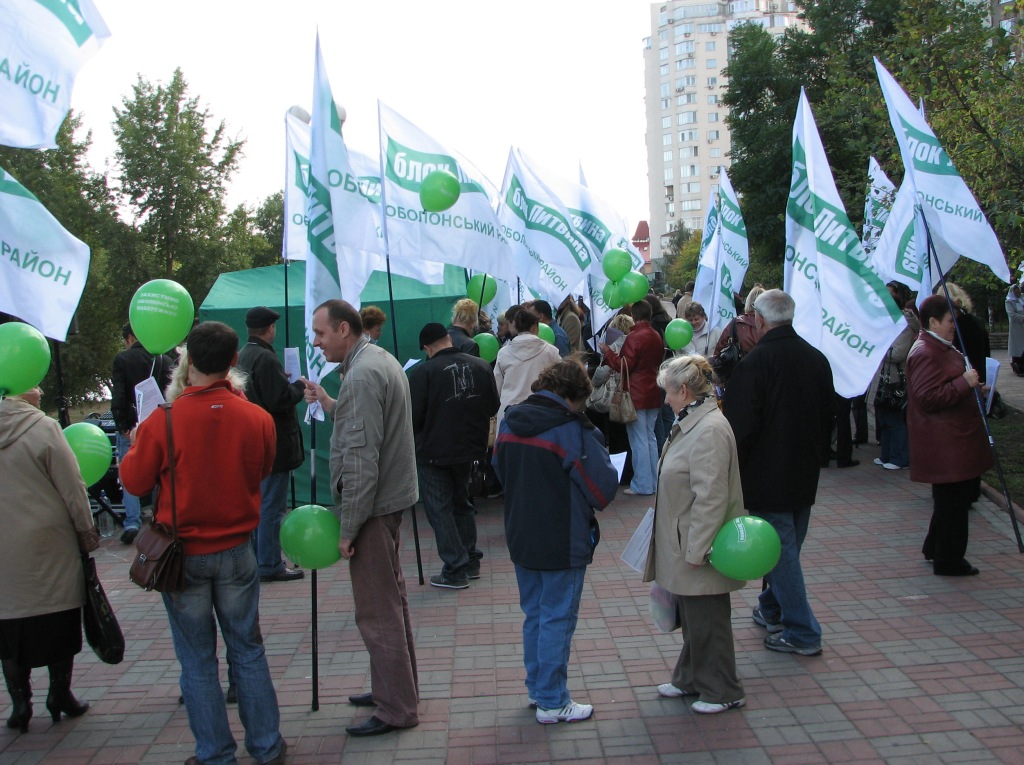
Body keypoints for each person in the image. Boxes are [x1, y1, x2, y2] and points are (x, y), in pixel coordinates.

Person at [120, 321, 288, 765]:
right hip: (237, 548)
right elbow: (263, 469)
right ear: (234, 362)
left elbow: (135, 481)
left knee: (197, 660)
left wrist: (137, 446)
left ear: (188, 361)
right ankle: (267, 746)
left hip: (183, 554)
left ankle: (215, 753)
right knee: (247, 650)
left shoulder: (164, 421)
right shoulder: (257, 417)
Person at [303, 300, 420, 737]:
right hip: (387, 501)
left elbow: (359, 460)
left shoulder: (364, 372)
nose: (316, 342)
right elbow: (367, 426)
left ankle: (396, 707)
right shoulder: (375, 361)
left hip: (373, 508)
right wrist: (330, 401)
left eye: (321, 333)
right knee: (391, 604)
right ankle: (394, 689)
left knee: (377, 612)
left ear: (345, 329)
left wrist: (347, 527)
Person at [493, 359, 617, 724]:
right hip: (562, 536)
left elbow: (500, 470)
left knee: (536, 615)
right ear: (577, 396)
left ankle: (539, 690)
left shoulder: (509, 421)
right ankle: (551, 699)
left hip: (521, 532)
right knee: (557, 618)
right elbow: (602, 489)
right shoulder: (571, 430)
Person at [723, 289, 834, 657]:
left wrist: (732, 472)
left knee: (782, 553)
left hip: (768, 473)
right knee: (787, 548)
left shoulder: (755, 364)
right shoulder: (816, 358)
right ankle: (772, 607)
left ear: (759, 319)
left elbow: (740, 427)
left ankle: (802, 631)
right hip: (804, 471)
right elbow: (827, 417)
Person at [644, 355, 746, 714]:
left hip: (695, 541)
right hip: (684, 538)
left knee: (707, 620)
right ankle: (691, 678)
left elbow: (711, 496)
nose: (666, 399)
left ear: (684, 391)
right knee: (694, 617)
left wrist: (698, 548)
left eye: (668, 393)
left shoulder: (709, 429)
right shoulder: (697, 421)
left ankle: (722, 689)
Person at [1, 386, 99, 733]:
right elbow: (72, 485)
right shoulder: (44, 429)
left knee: (9, 627)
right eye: (33, 383)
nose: (41, 390)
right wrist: (87, 532)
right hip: (48, 544)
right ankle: (60, 694)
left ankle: (19, 704)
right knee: (59, 620)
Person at [408, 323, 499, 589]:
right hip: (470, 449)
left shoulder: (423, 372)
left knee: (440, 509)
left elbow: (414, 417)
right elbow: (493, 405)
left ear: (427, 347)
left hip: (434, 451)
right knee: (463, 502)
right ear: (448, 339)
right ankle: (470, 559)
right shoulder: (481, 366)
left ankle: (456, 566)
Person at [907, 295, 993, 577]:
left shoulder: (940, 347)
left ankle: (936, 548)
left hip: (953, 439)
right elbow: (927, 398)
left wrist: (972, 389)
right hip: (946, 443)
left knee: (950, 502)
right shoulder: (925, 352)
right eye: (949, 320)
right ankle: (949, 560)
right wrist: (963, 383)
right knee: (952, 504)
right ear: (933, 322)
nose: (954, 325)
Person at [236, 306, 306, 584]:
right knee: (272, 508)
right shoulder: (265, 357)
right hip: (274, 442)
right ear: (270, 329)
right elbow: (279, 399)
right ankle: (269, 562)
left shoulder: (245, 355)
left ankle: (259, 558)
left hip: (255, 442)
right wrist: (299, 386)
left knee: (261, 505)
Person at [111, 322, 173, 544]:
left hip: (132, 425)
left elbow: (118, 395)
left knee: (128, 472)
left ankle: (132, 521)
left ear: (129, 338)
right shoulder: (164, 359)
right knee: (161, 470)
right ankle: (160, 516)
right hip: (160, 424)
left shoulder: (122, 360)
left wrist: (124, 426)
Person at [600, 300, 665, 496]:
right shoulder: (656, 335)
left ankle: (642, 484)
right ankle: (652, 482)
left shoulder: (635, 337)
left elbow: (624, 365)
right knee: (650, 439)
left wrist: (608, 353)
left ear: (634, 316)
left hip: (636, 393)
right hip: (653, 390)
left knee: (639, 440)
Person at [872, 288, 919, 470]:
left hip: (894, 380)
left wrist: (878, 347)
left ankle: (900, 457)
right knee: (883, 418)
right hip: (883, 378)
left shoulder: (905, 324)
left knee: (894, 419)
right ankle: (886, 454)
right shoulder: (888, 322)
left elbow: (898, 353)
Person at [494, 308, 560, 431]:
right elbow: (561, 385)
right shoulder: (551, 352)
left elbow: (496, 388)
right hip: (541, 414)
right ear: (535, 326)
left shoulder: (503, 353)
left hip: (508, 416)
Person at [1007, 283, 1024, 376]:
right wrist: (1022, 318)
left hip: (1023, 327)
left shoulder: (1022, 299)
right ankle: (1017, 365)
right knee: (1017, 346)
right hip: (1016, 328)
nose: (1018, 294)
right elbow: (1011, 314)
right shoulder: (1009, 302)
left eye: (1019, 292)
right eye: (1016, 293)